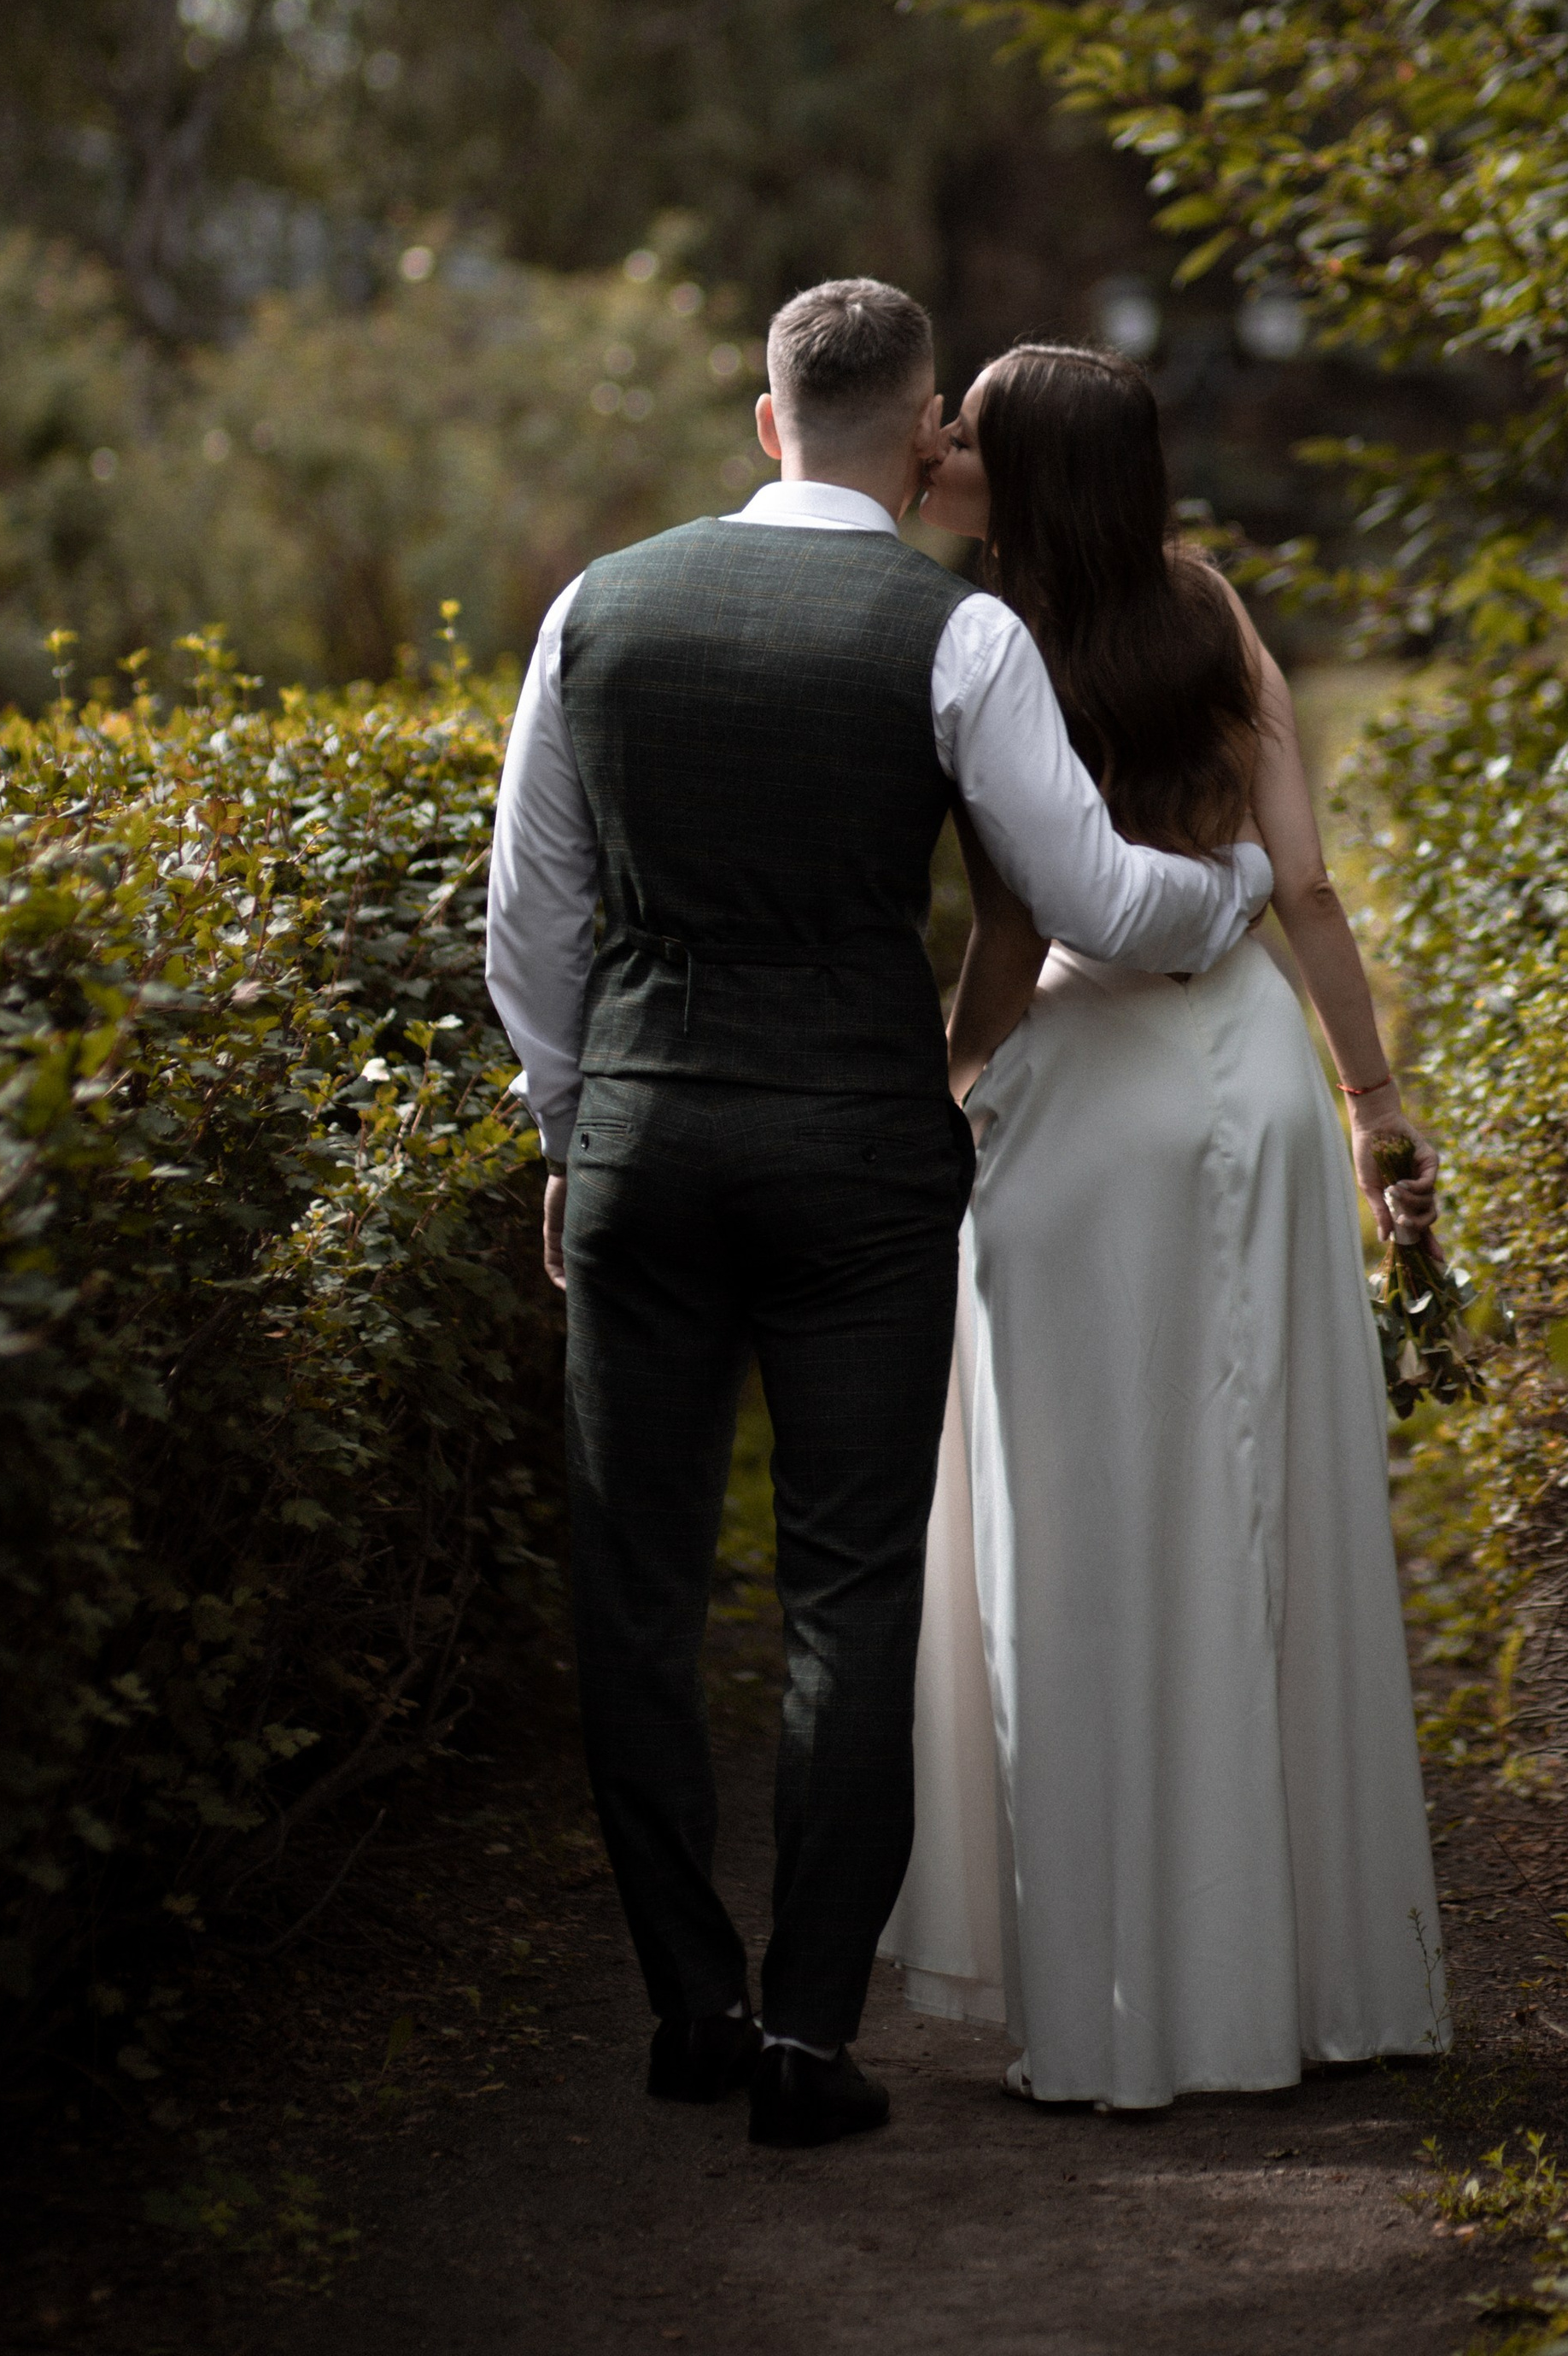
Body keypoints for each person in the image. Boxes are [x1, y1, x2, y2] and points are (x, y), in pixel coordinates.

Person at [483, 282, 1275, 2149]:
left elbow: (533, 921)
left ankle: (691, 1999)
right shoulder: (957, 633)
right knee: (849, 1589)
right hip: (855, 1159)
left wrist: (573, 1130)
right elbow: (1080, 887)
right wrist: (1232, 884)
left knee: (636, 1587)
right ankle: (805, 2035)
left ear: (764, 423)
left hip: (650, 1145)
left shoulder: (597, 608)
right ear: (920, 432)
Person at [880, 342, 1448, 2108]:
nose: (945, 442)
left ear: (1024, 475)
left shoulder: (979, 644)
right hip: (1257, 1082)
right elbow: (1307, 887)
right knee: (1266, 1493)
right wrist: (1372, 1107)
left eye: (969, 425)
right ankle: (1301, 1975)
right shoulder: (1206, 606)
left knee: (1088, 1528)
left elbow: (997, 930)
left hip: (1088, 1082)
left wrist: (952, 1089)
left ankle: (1127, 1990)